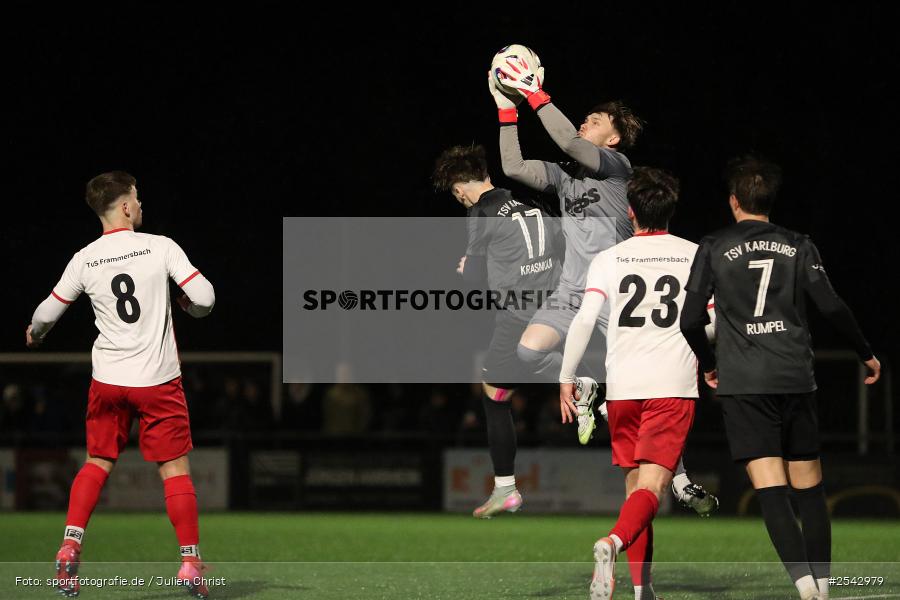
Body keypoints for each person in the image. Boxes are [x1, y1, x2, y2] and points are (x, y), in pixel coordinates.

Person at [490, 49, 717, 515]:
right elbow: (513, 168)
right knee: (529, 349)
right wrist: (506, 109)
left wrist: (534, 92)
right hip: (573, 292)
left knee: (649, 389)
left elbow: (572, 145)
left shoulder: (618, 169)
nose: (582, 125)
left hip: (615, 292)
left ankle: (682, 477)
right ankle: (588, 382)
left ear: (612, 137)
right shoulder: (563, 179)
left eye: (592, 120)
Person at [680, 155, 881, 600]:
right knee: (810, 488)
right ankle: (824, 585)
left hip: (745, 382)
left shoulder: (712, 245)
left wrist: (707, 363)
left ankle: (804, 586)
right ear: (769, 201)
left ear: (734, 201)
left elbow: (690, 319)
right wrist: (865, 353)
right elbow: (830, 306)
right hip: (794, 377)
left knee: (771, 489)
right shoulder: (798, 243)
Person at [26, 171, 215, 599]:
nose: (141, 206)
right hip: (157, 380)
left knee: (97, 460)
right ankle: (189, 562)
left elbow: (45, 315)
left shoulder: (84, 258)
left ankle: (70, 545)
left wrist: (35, 336)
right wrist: (185, 304)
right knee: (174, 468)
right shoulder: (160, 246)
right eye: (139, 199)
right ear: (126, 206)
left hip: (108, 380)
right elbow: (205, 299)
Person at [559, 167, 711, 600]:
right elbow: (711, 323)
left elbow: (585, 319)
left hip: (623, 389)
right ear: (671, 209)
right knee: (653, 490)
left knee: (635, 493)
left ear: (630, 212)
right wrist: (712, 360)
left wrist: (566, 378)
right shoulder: (695, 255)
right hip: (671, 386)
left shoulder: (608, 258)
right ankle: (610, 542)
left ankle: (643, 591)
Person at [433, 144, 558, 518]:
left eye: (457, 194)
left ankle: (506, 488)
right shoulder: (530, 202)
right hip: (556, 305)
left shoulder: (480, 211)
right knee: (514, 375)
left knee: (492, 393)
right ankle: (574, 375)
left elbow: (472, 275)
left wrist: (463, 268)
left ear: (460, 188)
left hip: (518, 312)